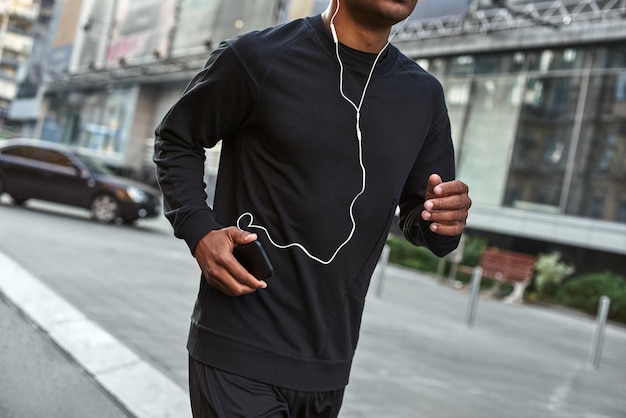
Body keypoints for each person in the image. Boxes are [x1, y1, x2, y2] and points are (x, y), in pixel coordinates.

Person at [154, 0, 472, 416]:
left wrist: (446, 220)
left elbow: (423, 218)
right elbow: (177, 139)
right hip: (239, 347)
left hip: (329, 365)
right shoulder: (255, 58)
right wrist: (200, 231)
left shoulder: (423, 95)